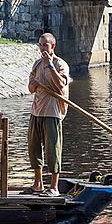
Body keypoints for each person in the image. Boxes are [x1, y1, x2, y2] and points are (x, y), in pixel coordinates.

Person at [27, 32, 70, 196]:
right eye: (40, 44)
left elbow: (60, 86)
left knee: (52, 149)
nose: (42, 48)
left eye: (45, 45)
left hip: (52, 112)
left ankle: (54, 187)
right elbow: (31, 88)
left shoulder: (60, 64)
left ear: (53, 46)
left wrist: (49, 65)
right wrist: (35, 83)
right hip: (36, 111)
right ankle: (38, 184)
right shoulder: (37, 64)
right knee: (34, 148)